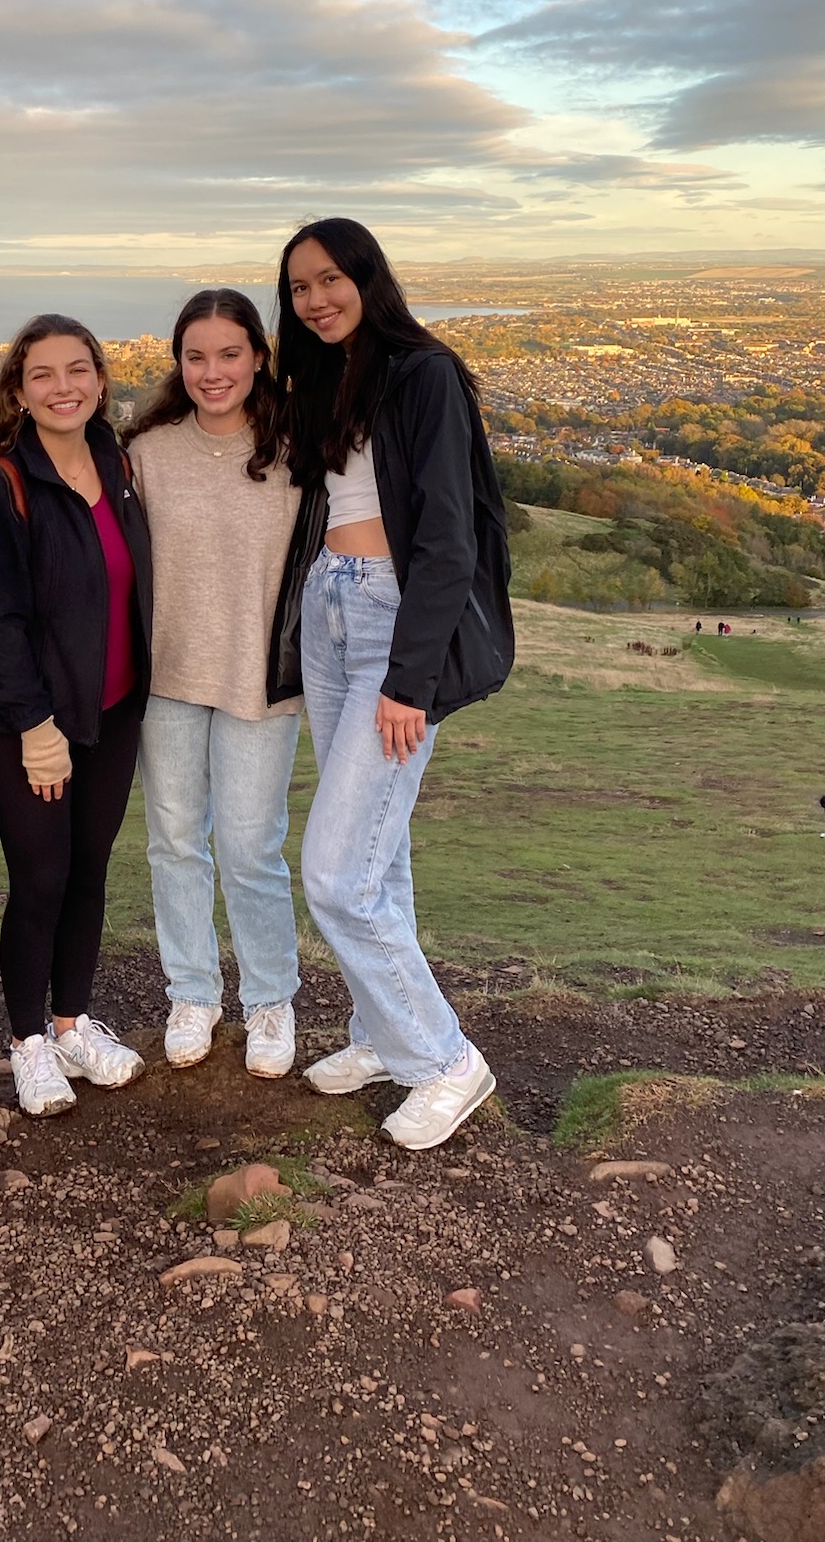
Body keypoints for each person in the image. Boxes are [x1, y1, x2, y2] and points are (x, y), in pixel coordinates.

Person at [272, 221, 514, 1151]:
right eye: (299, 288)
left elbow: (449, 534)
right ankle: (379, 1032)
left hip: (390, 620)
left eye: (331, 279)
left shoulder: (425, 373)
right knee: (380, 850)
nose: (316, 299)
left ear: (369, 278)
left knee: (335, 874)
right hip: (330, 608)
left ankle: (445, 1059)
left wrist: (411, 678)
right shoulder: (330, 377)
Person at [0, 315, 154, 1117]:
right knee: (40, 879)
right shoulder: (1, 486)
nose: (63, 387)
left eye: (78, 370)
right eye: (42, 374)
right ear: (18, 391)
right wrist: (35, 727)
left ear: (101, 383)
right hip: (34, 723)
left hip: (113, 711)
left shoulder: (120, 468)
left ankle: (72, 1023)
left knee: (90, 870)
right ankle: (27, 1043)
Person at [125, 289, 303, 1076]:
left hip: (263, 679)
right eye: (195, 356)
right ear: (178, 364)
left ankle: (270, 998)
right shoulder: (148, 451)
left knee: (250, 846)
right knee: (172, 841)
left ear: (259, 356)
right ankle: (193, 991)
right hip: (165, 676)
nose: (212, 371)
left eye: (229, 353)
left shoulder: (301, 444)